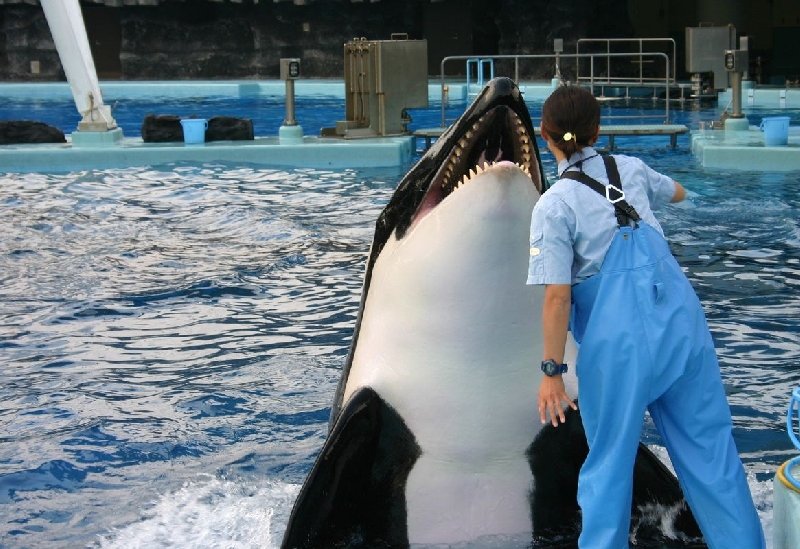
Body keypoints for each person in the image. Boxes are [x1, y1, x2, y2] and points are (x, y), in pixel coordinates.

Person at [527, 85, 765, 549]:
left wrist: (552, 373)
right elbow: (677, 192)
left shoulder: (553, 206)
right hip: (682, 329)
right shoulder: (630, 169)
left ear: (545, 134)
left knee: (609, 467)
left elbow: (558, 297)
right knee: (712, 456)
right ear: (597, 131)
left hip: (620, 353)